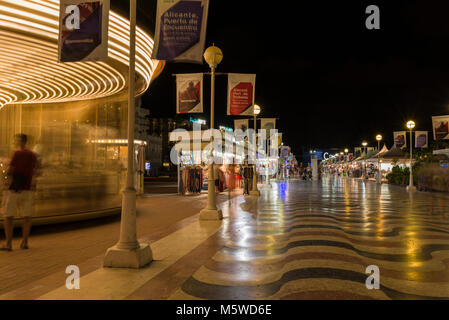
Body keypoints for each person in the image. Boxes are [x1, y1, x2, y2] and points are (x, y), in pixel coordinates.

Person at [1, 134, 39, 251]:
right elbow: (36, 169)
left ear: (19, 141)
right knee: (27, 217)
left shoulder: (16, 153)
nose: (14, 141)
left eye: (15, 140)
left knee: (9, 216)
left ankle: (8, 244)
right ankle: (25, 242)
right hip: (27, 189)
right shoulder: (32, 154)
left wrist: (5, 174)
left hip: (14, 189)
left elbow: (10, 170)